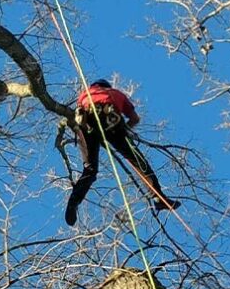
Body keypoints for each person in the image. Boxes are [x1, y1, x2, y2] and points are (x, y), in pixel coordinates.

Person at [65, 79, 178, 225]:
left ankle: (73, 203)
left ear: (94, 86)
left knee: (90, 170)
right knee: (138, 161)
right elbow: (134, 118)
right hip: (112, 123)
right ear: (107, 86)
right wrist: (126, 129)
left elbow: (78, 115)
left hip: (87, 125)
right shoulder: (116, 93)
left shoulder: (84, 95)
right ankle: (158, 197)